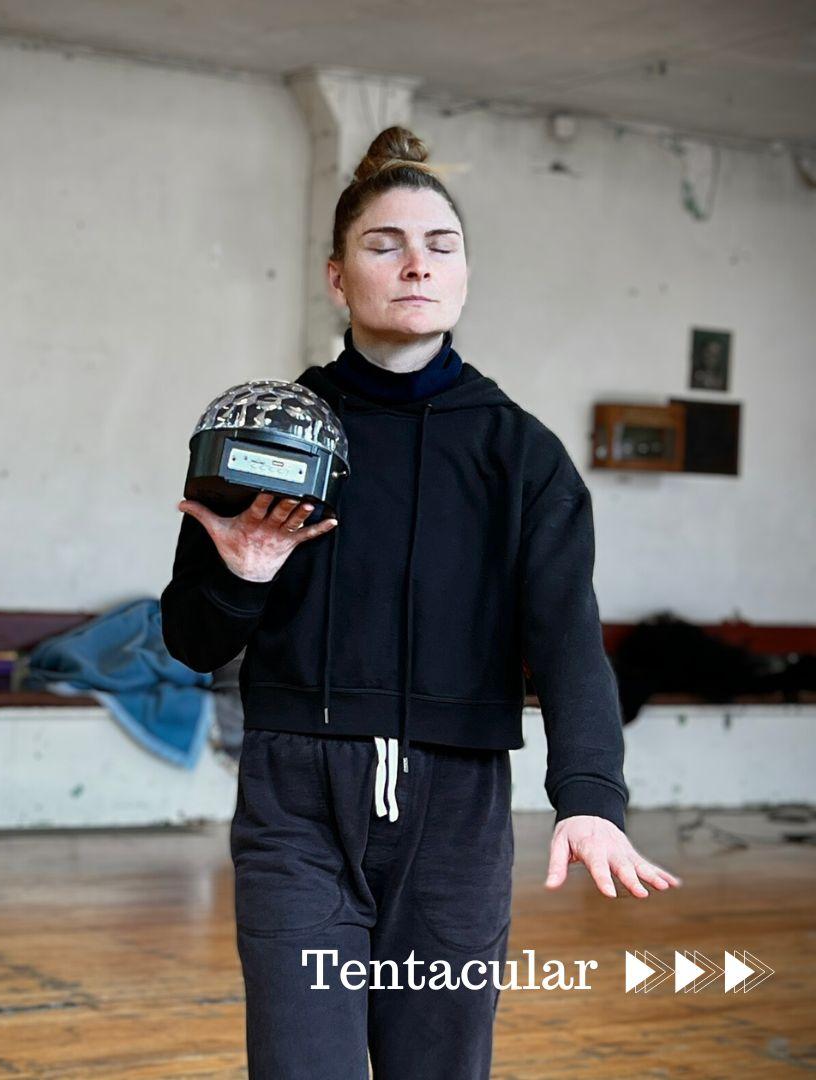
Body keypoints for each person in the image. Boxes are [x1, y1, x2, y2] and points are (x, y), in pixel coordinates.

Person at [160, 126, 682, 1080]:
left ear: (466, 276)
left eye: (439, 246)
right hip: (296, 808)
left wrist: (591, 796)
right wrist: (242, 574)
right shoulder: (263, 436)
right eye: (383, 243)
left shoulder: (522, 458)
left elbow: (568, 645)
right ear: (336, 276)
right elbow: (191, 640)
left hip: (457, 818)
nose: (415, 265)